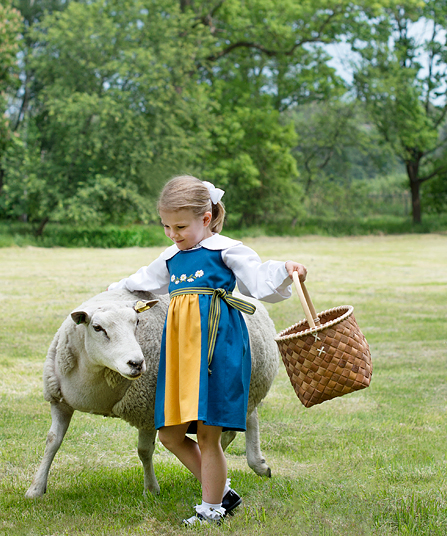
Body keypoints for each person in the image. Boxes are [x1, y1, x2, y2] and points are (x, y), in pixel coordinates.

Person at [108, 176, 307, 526]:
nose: (172, 233)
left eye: (180, 226)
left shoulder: (226, 250)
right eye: (166, 226)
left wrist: (286, 270)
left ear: (205, 217)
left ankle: (212, 510)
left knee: (207, 432)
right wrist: (108, 295)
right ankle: (222, 491)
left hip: (218, 348)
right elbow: (137, 282)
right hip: (182, 354)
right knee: (170, 434)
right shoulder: (171, 256)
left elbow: (259, 280)